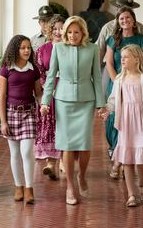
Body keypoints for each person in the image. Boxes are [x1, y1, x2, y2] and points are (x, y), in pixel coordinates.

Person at [40, 16, 104, 205]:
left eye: (76, 32)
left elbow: (97, 78)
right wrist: (45, 102)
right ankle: (69, 186)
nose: (73, 35)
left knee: (84, 144)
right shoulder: (58, 49)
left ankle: (81, 176)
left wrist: (100, 104)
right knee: (67, 144)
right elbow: (51, 77)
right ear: (65, 33)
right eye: (69, 32)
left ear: (83, 32)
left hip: (86, 100)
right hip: (63, 101)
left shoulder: (92, 49)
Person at [101, 44, 143, 207]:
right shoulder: (120, 78)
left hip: (141, 121)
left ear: (136, 59)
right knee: (127, 158)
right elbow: (113, 99)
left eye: (126, 57)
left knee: (141, 157)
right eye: (122, 57)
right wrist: (107, 110)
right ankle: (132, 194)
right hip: (126, 122)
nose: (122, 59)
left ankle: (142, 184)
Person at [105, 6, 143, 179]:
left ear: (133, 19)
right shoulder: (113, 40)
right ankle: (119, 158)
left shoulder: (142, 39)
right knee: (117, 122)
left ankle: (122, 163)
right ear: (118, 21)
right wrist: (118, 81)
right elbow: (109, 63)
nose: (125, 21)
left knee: (134, 124)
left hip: (137, 86)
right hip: (118, 83)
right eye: (121, 18)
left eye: (128, 17)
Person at [0, 35, 42, 204]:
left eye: (28, 48)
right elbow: (2, 96)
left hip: (29, 113)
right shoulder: (6, 69)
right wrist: (3, 122)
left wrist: (43, 104)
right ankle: (19, 187)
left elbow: (38, 92)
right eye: (23, 48)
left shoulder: (34, 69)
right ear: (15, 49)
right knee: (15, 153)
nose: (26, 51)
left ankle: (29, 189)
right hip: (10, 114)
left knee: (26, 152)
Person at [96, 0, 143, 94]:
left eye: (129, 8)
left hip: (136, 75)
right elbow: (100, 51)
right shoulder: (107, 28)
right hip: (112, 70)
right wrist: (96, 75)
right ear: (117, 8)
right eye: (122, 7)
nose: (125, 20)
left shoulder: (140, 28)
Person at [34, 14, 65, 180]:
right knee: (49, 126)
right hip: (49, 92)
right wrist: (46, 88)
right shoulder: (42, 50)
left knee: (64, 126)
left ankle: (62, 161)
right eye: (55, 28)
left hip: (66, 93)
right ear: (50, 30)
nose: (58, 32)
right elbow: (38, 71)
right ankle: (50, 163)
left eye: (61, 28)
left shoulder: (71, 48)